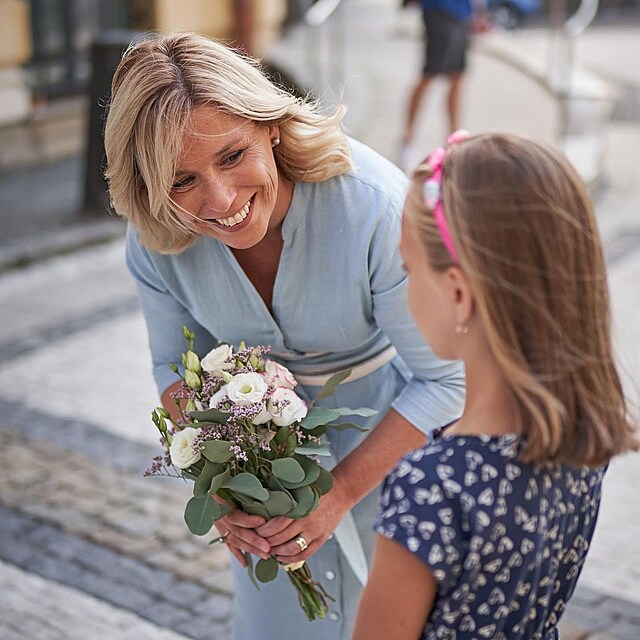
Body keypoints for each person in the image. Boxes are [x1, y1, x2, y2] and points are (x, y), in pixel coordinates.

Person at [103, 32, 466, 640]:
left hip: (393, 442)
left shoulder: (374, 206)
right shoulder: (154, 242)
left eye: (230, 156)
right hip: (255, 472)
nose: (221, 202)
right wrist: (221, 491)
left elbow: (446, 378)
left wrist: (339, 494)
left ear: (270, 125)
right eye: (180, 179)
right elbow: (172, 365)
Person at [352, 131, 639, 640]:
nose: (406, 284)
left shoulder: (432, 486)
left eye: (409, 268)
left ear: (458, 294)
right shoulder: (583, 437)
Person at [399, 0, 487, 172]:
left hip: (463, 13)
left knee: (457, 76)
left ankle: (454, 141)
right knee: (429, 75)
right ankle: (407, 142)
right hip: (439, 10)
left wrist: (480, 11)